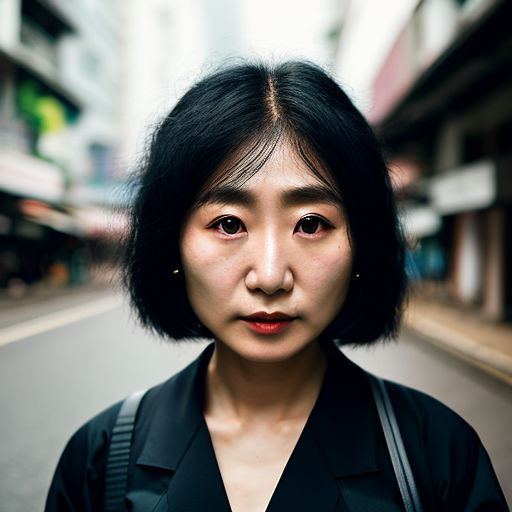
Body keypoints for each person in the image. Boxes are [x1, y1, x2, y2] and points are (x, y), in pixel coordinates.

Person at [45, 61, 507, 512]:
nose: (269, 277)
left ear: (363, 241)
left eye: (310, 224)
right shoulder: (102, 459)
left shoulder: (435, 454)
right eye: (228, 223)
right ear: (171, 242)